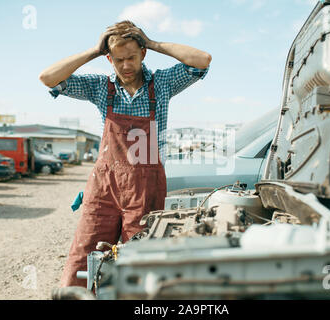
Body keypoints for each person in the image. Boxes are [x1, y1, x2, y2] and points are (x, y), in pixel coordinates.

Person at [39, 20, 212, 288]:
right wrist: (93, 51)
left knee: (141, 261)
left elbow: (202, 60)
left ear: (143, 54)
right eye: (118, 60)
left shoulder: (162, 84)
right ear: (109, 59)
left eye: (132, 57)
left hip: (146, 188)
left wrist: (153, 43)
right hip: (104, 188)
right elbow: (48, 78)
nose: (126, 66)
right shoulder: (100, 87)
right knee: (83, 257)